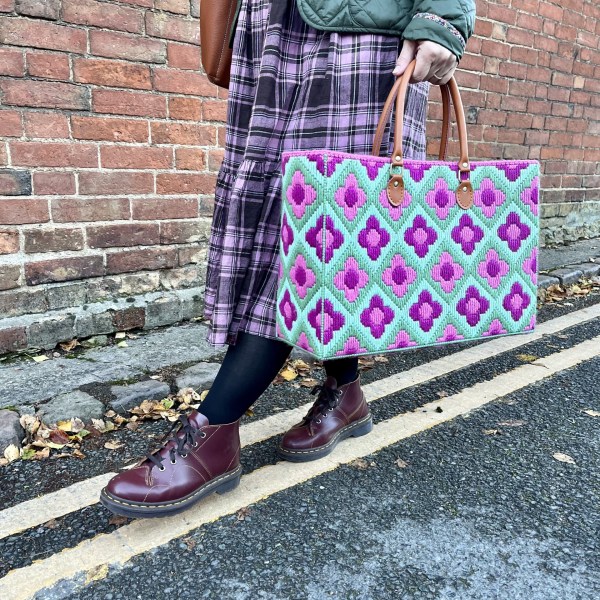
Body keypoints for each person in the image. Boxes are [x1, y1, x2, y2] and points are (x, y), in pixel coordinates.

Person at [100, 0, 476, 518]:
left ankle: (215, 429)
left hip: (359, 45)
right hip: (273, 33)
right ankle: (346, 392)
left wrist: (444, 20)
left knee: (310, 232)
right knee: (312, 232)